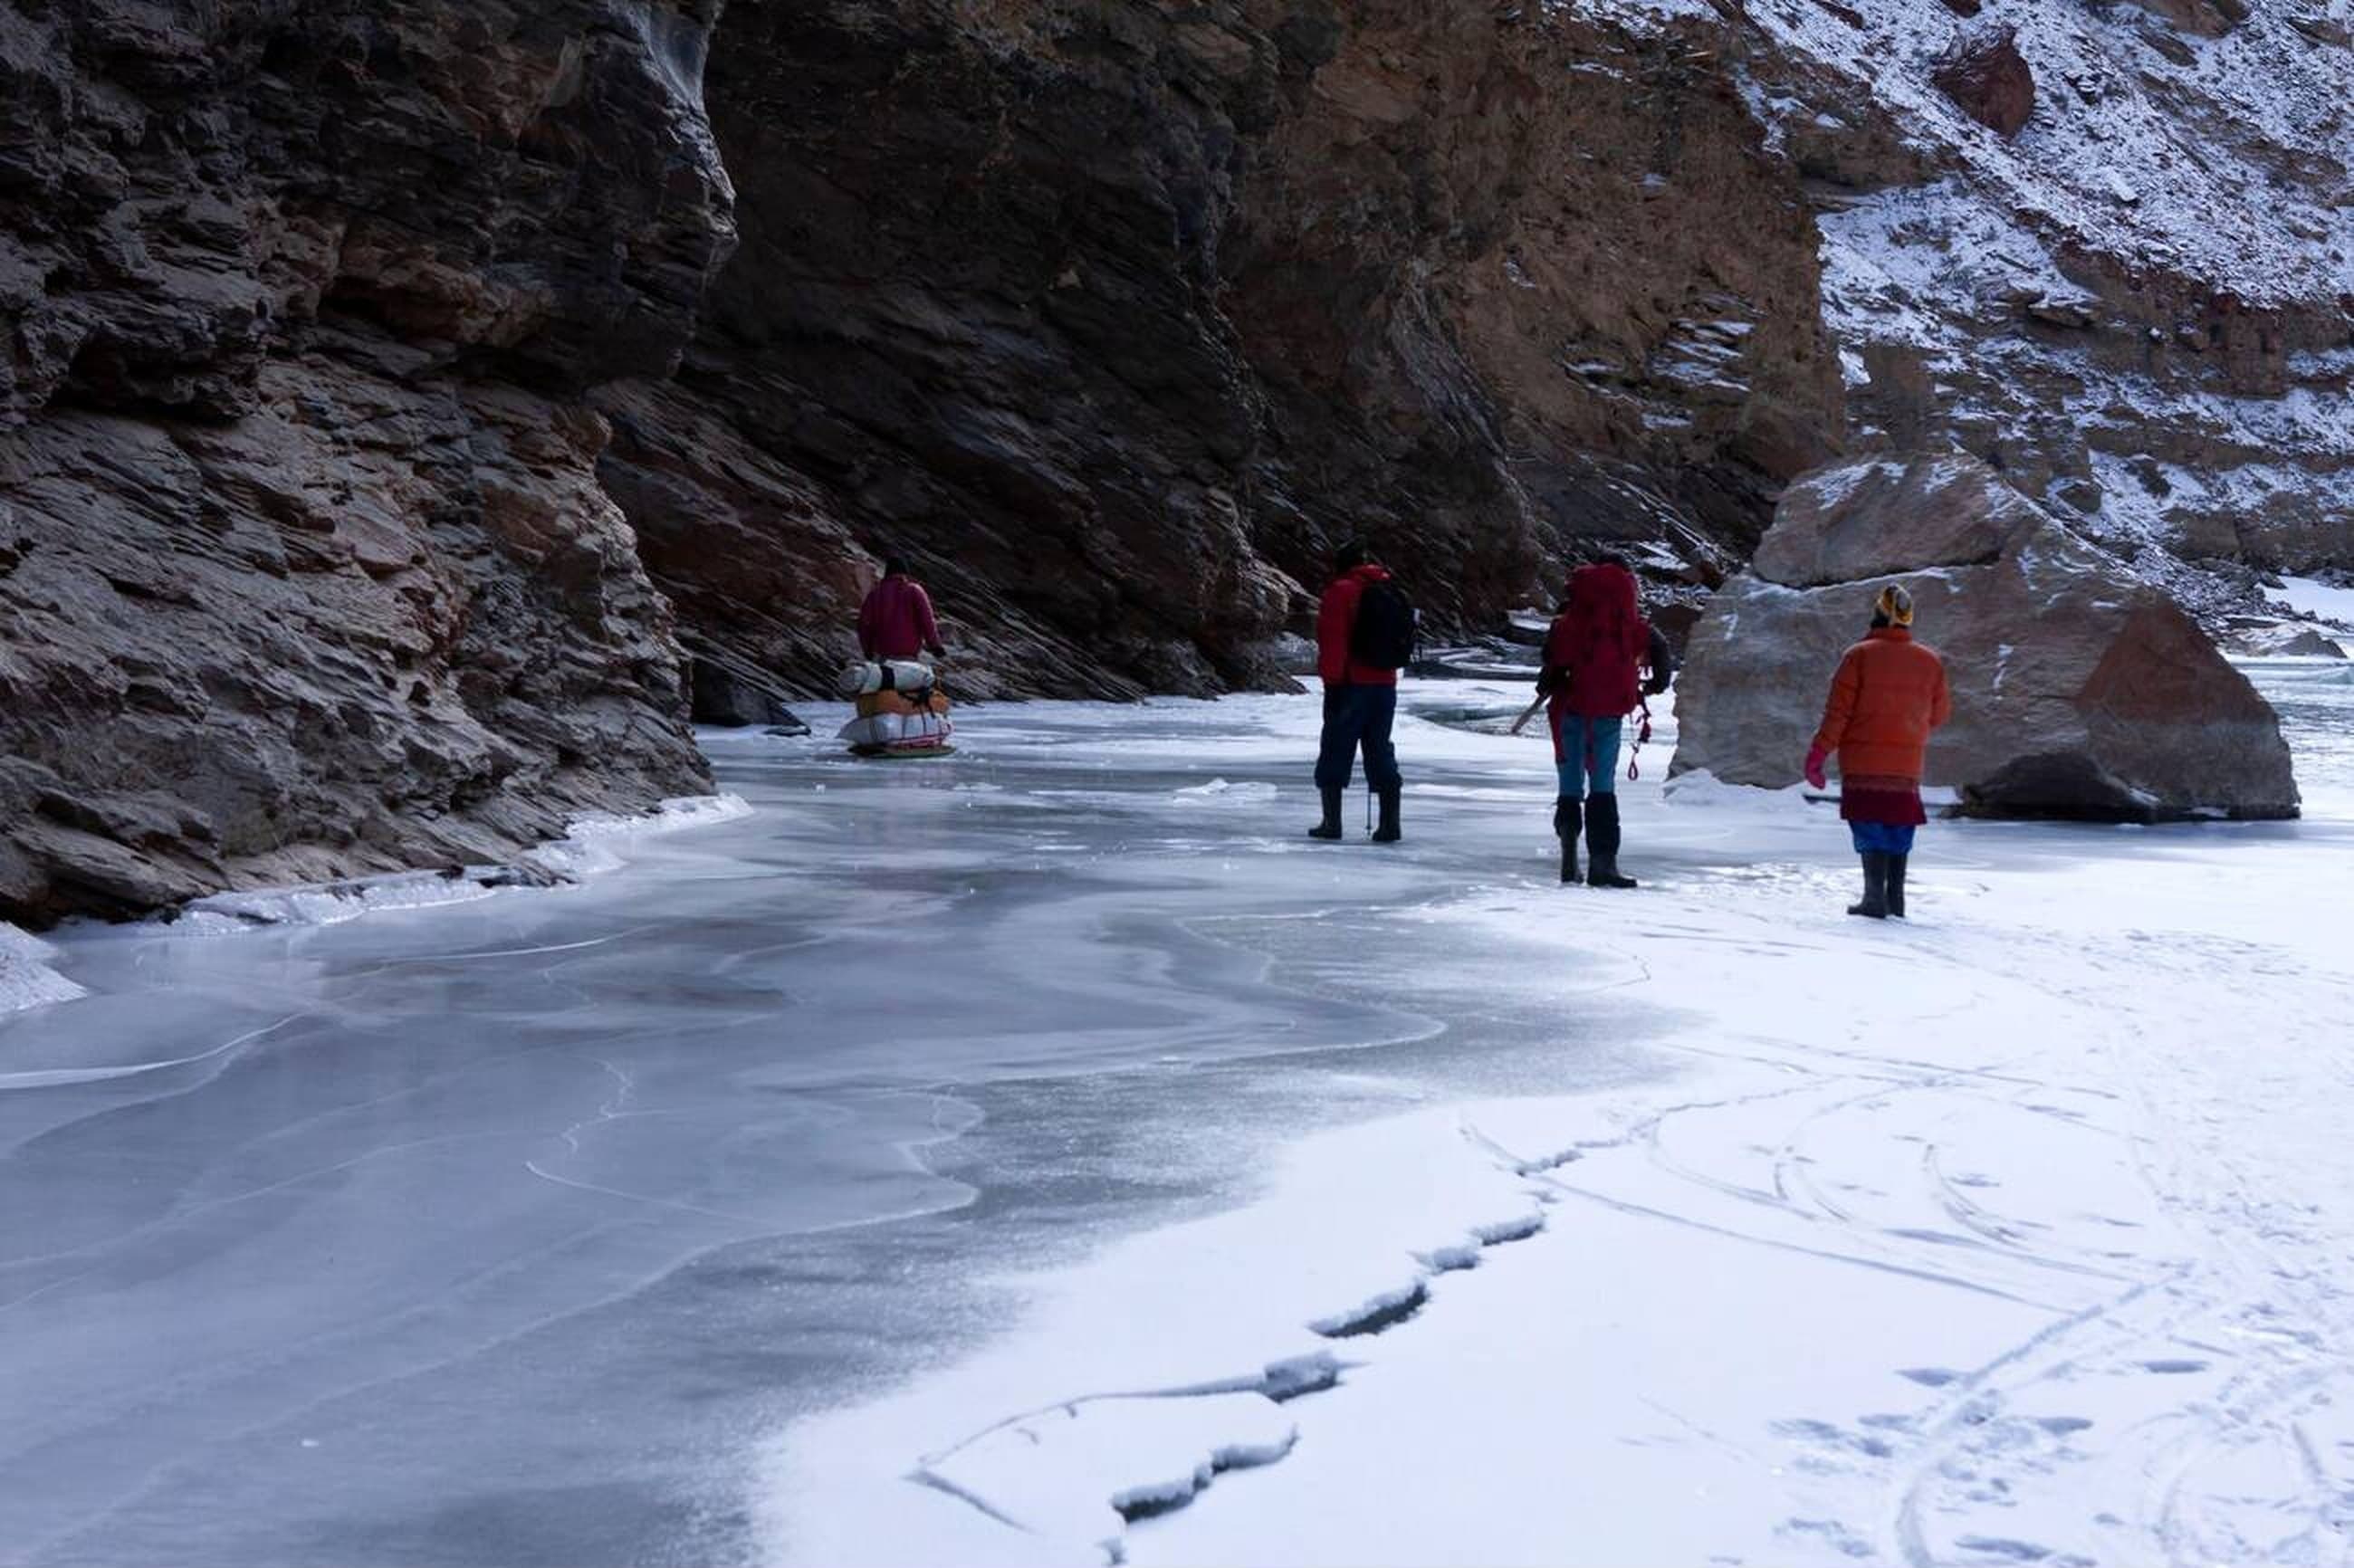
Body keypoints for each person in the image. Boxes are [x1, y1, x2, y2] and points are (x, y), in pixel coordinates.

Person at [1517, 555, 1668, 888]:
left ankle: (1569, 859)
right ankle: (1603, 865)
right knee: (1602, 787)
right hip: (1609, 711)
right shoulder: (1627, 618)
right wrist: (1655, 684)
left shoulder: (1572, 615)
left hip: (1570, 708)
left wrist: (1551, 681)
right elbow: (1659, 647)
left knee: (1569, 786)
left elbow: (1552, 658)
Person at [1804, 583, 1952, 920]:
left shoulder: (1858, 655)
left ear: (1879, 614)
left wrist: (1818, 754)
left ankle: (1874, 899)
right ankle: (1895, 900)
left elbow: (1838, 713)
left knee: (1870, 826)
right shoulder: (1930, 661)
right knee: (1899, 826)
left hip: (1863, 762)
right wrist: (1910, 728)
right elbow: (1940, 714)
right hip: (1907, 764)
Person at [1309, 540, 1411, 843]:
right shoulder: (1388, 587)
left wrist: (1332, 682)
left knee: (1336, 748)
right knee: (1379, 748)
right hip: (1385, 683)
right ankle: (1390, 824)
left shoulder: (1341, 591)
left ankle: (1332, 823)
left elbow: (1333, 640)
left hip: (1350, 682)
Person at [856, 557, 946, 663]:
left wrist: (867, 650)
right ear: (905, 573)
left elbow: (864, 625)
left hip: (881, 656)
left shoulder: (874, 594)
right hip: (907, 656)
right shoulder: (914, 591)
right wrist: (935, 646)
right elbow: (927, 621)